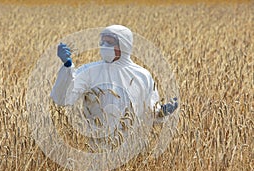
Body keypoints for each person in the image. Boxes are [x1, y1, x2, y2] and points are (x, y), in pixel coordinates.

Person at [50, 25, 178, 140]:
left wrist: (161, 112)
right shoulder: (89, 71)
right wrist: (67, 66)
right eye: (103, 42)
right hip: (98, 146)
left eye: (109, 42)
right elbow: (63, 99)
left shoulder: (142, 75)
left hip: (133, 146)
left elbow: (149, 112)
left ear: (124, 45)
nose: (104, 46)